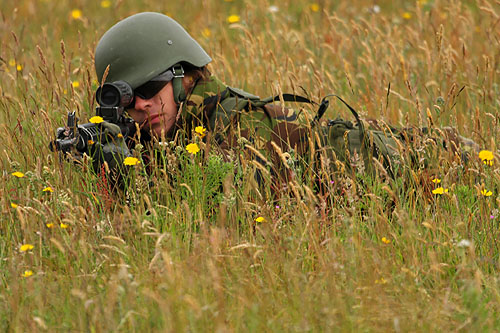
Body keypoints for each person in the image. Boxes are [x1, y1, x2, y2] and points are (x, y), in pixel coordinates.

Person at [91, 12, 478, 194]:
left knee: (458, 157)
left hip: (414, 165)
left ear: (182, 76)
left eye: (150, 88)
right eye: (127, 100)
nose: (140, 106)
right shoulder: (170, 133)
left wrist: (135, 180)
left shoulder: (235, 124)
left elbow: (233, 202)